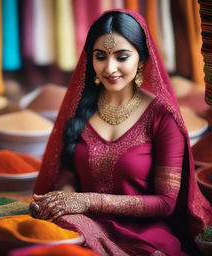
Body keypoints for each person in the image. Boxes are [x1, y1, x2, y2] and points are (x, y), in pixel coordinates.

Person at [29, 9, 212, 256]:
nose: (110, 68)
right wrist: (62, 201)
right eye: (101, 56)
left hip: (144, 235)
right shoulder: (81, 108)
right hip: (84, 224)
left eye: (122, 57)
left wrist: (88, 201)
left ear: (142, 59)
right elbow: (68, 173)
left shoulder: (161, 117)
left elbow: (166, 203)